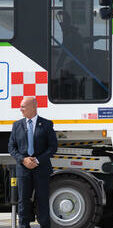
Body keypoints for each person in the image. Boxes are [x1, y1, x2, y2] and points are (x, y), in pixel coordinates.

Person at [8, 97, 58, 228]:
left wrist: (37, 160)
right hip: (23, 169)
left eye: (23, 107)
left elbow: (52, 147)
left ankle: (45, 225)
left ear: (33, 107)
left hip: (41, 168)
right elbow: (11, 148)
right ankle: (24, 226)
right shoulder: (17, 125)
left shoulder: (47, 124)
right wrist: (23, 159)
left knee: (42, 200)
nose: (20, 109)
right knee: (23, 201)